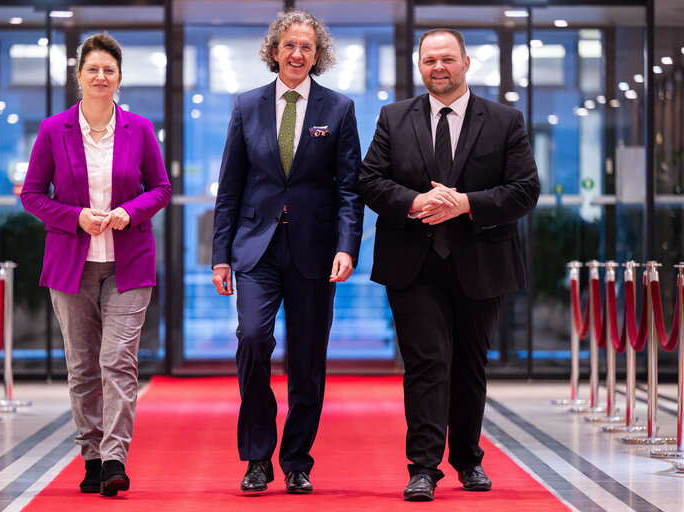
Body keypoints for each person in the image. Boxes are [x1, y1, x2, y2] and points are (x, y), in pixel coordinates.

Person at [358, 29, 540, 501]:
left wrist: (464, 203)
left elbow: (525, 190)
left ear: (465, 63)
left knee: (469, 364)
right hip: (412, 264)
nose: (438, 67)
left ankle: (468, 459)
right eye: (429, 60)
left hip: (481, 260)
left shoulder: (504, 120)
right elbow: (370, 181)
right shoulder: (394, 118)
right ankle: (423, 467)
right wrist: (417, 199)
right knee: (426, 362)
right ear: (420, 66)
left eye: (447, 59)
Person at [211, 8, 363, 495]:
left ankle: (297, 458)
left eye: (308, 47)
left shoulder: (338, 109)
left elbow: (349, 190)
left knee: (307, 360)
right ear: (274, 51)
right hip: (256, 250)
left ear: (318, 57)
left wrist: (347, 247)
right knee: (252, 340)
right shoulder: (246, 105)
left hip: (316, 253)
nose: (298, 54)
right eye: (289, 45)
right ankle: (257, 457)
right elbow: (229, 189)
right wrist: (220, 255)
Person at [20, 32, 171, 497]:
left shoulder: (140, 129)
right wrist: (75, 217)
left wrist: (130, 211)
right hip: (72, 265)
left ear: (120, 79)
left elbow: (160, 188)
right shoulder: (52, 130)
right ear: (78, 77)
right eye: (92, 70)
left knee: (118, 362)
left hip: (129, 263)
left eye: (109, 70)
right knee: (84, 366)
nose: (100, 76)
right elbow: (31, 195)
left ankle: (114, 459)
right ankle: (89, 453)